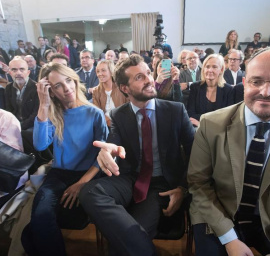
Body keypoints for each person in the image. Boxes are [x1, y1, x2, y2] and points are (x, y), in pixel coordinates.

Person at [79, 54, 194, 256]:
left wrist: (183, 188)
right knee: (89, 192)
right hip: (130, 178)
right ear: (125, 88)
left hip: (159, 185)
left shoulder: (175, 110)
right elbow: (114, 144)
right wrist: (107, 151)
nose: (150, 79)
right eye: (139, 77)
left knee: (120, 247)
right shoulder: (118, 114)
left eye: (148, 73)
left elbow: (195, 155)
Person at [188, 47, 270, 256]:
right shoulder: (211, 124)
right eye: (256, 81)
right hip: (217, 212)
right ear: (244, 83)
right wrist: (229, 238)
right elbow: (198, 184)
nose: (265, 92)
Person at [21, 63, 108, 256]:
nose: (67, 88)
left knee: (33, 231)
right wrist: (43, 105)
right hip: (59, 175)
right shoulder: (53, 113)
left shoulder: (94, 113)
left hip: (88, 175)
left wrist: (81, 183)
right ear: (50, 91)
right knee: (39, 219)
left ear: (75, 80)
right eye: (58, 85)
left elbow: (103, 157)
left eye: (68, 80)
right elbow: (40, 144)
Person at [187, 54, 234, 127]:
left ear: (221, 70)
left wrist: (201, 124)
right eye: (207, 67)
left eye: (214, 67)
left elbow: (227, 118)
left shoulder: (228, 90)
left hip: (219, 131)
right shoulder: (195, 87)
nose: (210, 70)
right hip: (197, 131)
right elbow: (191, 114)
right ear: (203, 69)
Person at [5, 58, 39, 130]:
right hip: (14, 124)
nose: (18, 73)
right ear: (10, 73)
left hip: (32, 126)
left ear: (28, 72)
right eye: (14, 70)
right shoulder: (8, 88)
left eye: (22, 69)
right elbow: (8, 110)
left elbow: (36, 114)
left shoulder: (37, 88)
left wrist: (20, 127)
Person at [92, 60, 128, 127]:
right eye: (98, 71)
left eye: (103, 70)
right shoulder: (96, 91)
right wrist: (111, 124)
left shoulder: (122, 88)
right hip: (105, 126)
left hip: (123, 124)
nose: (100, 74)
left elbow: (128, 110)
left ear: (111, 72)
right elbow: (98, 113)